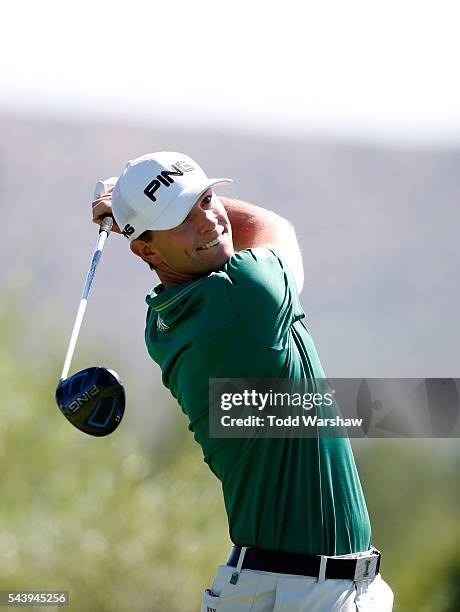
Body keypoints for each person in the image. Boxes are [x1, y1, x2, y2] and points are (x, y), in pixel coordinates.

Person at [92, 152, 394, 612]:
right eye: (181, 218)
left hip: (254, 586)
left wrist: (141, 213)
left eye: (208, 199)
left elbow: (208, 234)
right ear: (146, 250)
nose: (210, 220)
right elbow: (277, 228)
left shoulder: (161, 325)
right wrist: (130, 212)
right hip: (313, 592)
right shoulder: (246, 294)